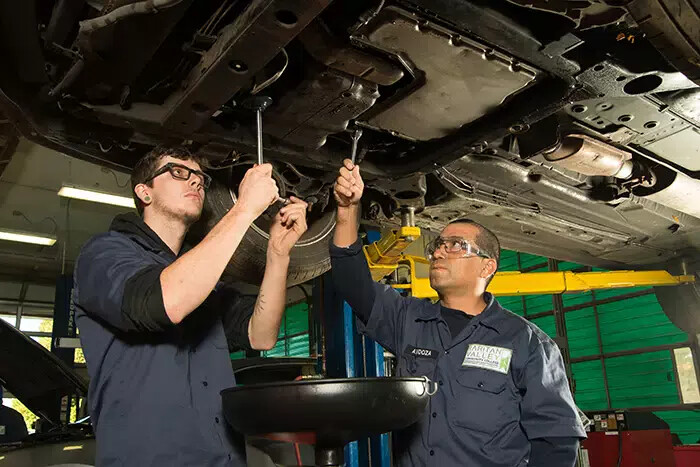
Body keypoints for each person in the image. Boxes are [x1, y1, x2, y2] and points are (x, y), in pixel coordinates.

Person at [329, 159, 586, 467]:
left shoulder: (527, 343)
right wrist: (347, 211)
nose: (438, 251)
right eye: (438, 245)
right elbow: (353, 284)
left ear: (487, 266)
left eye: (455, 245)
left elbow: (556, 442)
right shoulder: (409, 320)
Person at [73, 146, 308, 466]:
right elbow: (163, 302)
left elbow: (261, 335)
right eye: (179, 172)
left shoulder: (201, 275)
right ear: (144, 192)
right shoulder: (104, 254)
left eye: (200, 177)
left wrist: (278, 255)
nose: (196, 181)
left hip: (223, 458)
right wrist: (243, 210)